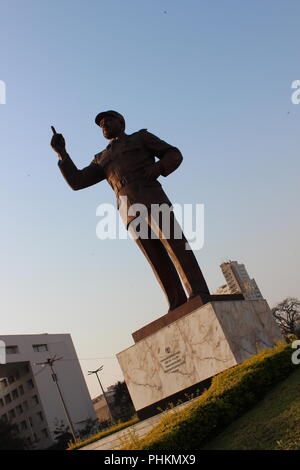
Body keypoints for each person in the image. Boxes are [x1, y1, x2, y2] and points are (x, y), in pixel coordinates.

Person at [51, 111, 210, 312]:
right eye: (101, 124)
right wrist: (62, 153)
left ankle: (198, 291)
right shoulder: (101, 157)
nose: (104, 125)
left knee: (175, 245)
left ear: (121, 122)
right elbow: (78, 181)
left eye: (108, 120)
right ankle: (176, 301)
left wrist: (159, 167)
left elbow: (174, 153)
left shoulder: (140, 138)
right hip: (127, 209)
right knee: (155, 258)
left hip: (151, 196)